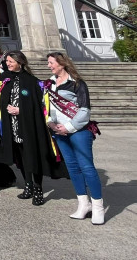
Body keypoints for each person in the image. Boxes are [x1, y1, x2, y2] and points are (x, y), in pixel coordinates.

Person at [0, 50, 66, 206]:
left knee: (32, 157)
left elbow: (38, 106)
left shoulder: (31, 81)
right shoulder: (5, 79)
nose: (8, 64)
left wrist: (20, 110)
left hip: (28, 126)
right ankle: (28, 185)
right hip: (11, 126)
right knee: (21, 158)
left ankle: (38, 188)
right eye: (7, 61)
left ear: (20, 62)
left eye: (11, 61)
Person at [44, 52, 104, 224]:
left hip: (79, 131)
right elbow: (46, 108)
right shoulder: (50, 85)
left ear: (61, 64)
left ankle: (98, 206)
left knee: (87, 167)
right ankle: (83, 204)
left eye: (51, 63)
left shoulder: (77, 83)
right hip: (59, 132)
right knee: (72, 168)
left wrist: (68, 127)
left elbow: (84, 111)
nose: (49, 66)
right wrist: (52, 124)